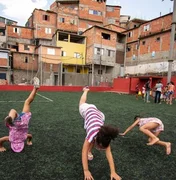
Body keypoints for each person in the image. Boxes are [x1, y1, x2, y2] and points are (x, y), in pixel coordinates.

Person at [79, 86, 121, 180]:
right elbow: (83, 151)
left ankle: (91, 150)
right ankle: (86, 91)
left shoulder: (106, 137)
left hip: (100, 115)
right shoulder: (91, 134)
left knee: (92, 141)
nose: (100, 149)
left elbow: (109, 153)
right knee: (82, 103)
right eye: (100, 147)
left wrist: (113, 172)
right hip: (87, 111)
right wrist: (86, 170)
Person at [0, 77, 40, 153]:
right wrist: (0, 146)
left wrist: (28, 141)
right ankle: (11, 118)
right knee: (13, 111)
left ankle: (36, 88)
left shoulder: (24, 138)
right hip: (15, 124)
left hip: (23, 122)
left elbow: (30, 136)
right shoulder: (10, 139)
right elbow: (1, 140)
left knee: (27, 102)